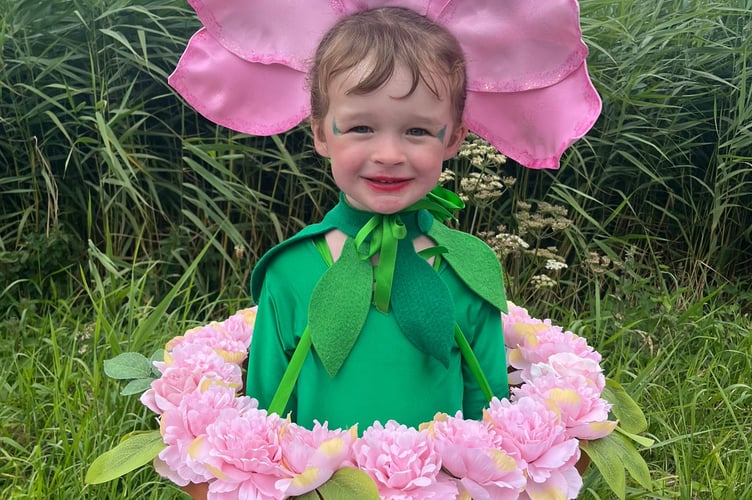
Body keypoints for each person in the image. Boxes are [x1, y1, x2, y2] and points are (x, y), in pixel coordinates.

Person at [168, 1, 600, 497]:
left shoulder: (469, 269)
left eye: (417, 130)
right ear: (320, 133)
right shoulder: (290, 271)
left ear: (454, 137)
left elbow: (492, 423)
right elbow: (261, 416)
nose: (389, 154)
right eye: (361, 127)